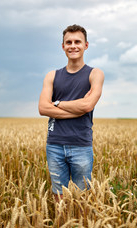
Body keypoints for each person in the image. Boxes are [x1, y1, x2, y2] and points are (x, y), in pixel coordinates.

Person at [38, 24, 104, 201]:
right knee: (59, 198)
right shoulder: (52, 75)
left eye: (77, 42)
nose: (73, 46)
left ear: (86, 45)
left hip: (81, 145)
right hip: (54, 144)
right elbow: (43, 108)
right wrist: (78, 109)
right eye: (69, 42)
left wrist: (57, 103)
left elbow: (87, 106)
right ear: (63, 46)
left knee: (82, 199)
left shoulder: (95, 74)